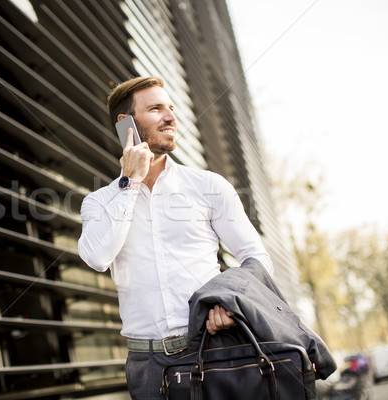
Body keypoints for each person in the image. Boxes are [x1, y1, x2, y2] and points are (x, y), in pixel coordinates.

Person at [77, 76, 274, 399]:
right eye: (156, 109)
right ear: (126, 125)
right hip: (148, 366)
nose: (170, 117)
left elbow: (256, 257)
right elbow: (97, 258)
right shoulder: (99, 202)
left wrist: (232, 303)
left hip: (215, 348)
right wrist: (131, 182)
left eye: (171, 108)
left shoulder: (209, 186)